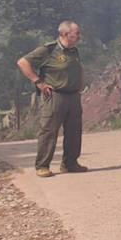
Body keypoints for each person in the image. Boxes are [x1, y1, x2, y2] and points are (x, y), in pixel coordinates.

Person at [17, 21, 87, 177]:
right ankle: (42, 165)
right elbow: (23, 63)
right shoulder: (48, 50)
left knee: (74, 132)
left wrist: (81, 83)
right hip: (55, 96)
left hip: (73, 96)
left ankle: (70, 163)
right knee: (49, 131)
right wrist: (38, 82)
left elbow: (78, 68)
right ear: (64, 34)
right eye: (76, 33)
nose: (79, 36)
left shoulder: (74, 51)